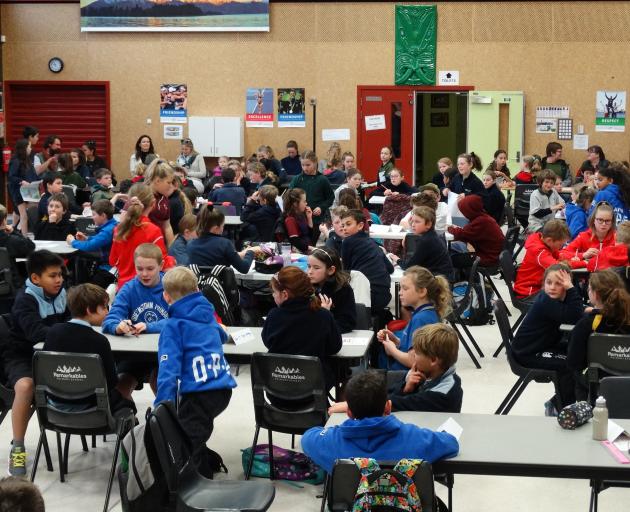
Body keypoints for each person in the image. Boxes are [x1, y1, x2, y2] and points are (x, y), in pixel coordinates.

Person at [155, 267, 236, 477]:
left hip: (199, 392)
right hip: (223, 389)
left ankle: (198, 488)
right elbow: (220, 335)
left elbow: (168, 372)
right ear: (197, 288)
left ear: (165, 296)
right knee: (194, 432)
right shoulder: (208, 314)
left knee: (187, 443)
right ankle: (205, 464)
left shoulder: (173, 327)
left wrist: (162, 407)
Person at [301, 370, 459, 474]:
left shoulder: (332, 441)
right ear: (388, 407)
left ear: (349, 412)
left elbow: (307, 437)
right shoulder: (416, 438)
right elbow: (451, 443)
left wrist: (334, 430)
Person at [0, 250, 70, 476]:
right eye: (52, 275)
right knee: (26, 387)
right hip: (20, 355)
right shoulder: (25, 300)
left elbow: (73, 320)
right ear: (35, 277)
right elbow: (35, 333)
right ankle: (18, 447)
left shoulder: (61, 294)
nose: (58, 280)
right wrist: (68, 331)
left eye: (60, 275)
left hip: (51, 356)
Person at [43, 284, 136, 413]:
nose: (107, 312)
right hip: (92, 406)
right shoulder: (99, 341)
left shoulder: (53, 332)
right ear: (89, 310)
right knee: (128, 405)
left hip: (55, 404)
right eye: (104, 307)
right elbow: (111, 382)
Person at [511, 264, 584, 414]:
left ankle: (558, 401)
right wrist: (570, 288)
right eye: (549, 282)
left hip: (541, 346)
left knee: (578, 354)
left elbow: (573, 311)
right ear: (543, 283)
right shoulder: (546, 300)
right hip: (527, 354)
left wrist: (582, 307)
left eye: (559, 283)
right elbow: (573, 317)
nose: (552, 287)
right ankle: (563, 410)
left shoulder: (553, 300)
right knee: (569, 364)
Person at [262, 266, 342, 389]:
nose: (273, 295)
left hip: (278, 389)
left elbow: (267, 342)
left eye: (274, 292)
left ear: (284, 294)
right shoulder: (323, 315)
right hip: (314, 391)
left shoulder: (273, 316)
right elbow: (334, 347)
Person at [376, 266, 450, 370]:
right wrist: (396, 341)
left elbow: (414, 361)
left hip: (404, 376)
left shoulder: (421, 319)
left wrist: (392, 349)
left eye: (405, 288)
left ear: (422, 292)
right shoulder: (425, 313)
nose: (399, 292)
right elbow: (415, 348)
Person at [567, 271, 630, 383]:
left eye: (589, 288)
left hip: (596, 385)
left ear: (595, 294)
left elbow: (573, 362)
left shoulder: (587, 324)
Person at [109, 183, 175, 290]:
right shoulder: (153, 231)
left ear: (128, 202)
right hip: (146, 289)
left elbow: (113, 261)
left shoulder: (119, 229)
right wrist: (172, 261)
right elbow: (162, 262)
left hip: (124, 288)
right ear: (153, 203)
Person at [387, 323, 463, 412]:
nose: (414, 356)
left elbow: (389, 404)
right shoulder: (436, 373)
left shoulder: (440, 395)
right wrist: (406, 388)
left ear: (433, 360)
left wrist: (404, 390)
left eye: (417, 353)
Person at [514, 220, 585, 300]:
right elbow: (559, 267)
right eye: (560, 244)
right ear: (549, 240)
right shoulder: (539, 252)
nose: (561, 247)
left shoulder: (546, 244)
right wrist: (584, 263)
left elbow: (561, 256)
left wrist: (582, 256)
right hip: (529, 292)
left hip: (539, 286)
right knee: (566, 296)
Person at [340, 209, 394, 311]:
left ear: (360, 225)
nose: (344, 228)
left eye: (348, 224)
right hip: (384, 296)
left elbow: (346, 273)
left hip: (367, 297)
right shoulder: (373, 243)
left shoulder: (347, 242)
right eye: (343, 226)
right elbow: (390, 269)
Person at [187, 205, 260, 272]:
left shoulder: (190, 244)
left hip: (197, 285)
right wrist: (250, 252)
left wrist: (243, 253)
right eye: (222, 226)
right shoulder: (225, 244)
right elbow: (244, 268)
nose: (223, 229)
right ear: (216, 228)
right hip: (219, 284)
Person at [66, 199, 118, 287]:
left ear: (103, 216)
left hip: (109, 269)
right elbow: (97, 240)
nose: (92, 217)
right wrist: (87, 238)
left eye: (94, 214)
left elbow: (90, 246)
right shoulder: (112, 225)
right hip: (108, 265)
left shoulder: (107, 231)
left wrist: (73, 242)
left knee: (89, 290)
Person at [391, 207, 453, 279]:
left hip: (438, 282)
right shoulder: (431, 236)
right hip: (441, 277)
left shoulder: (426, 241)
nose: (413, 225)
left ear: (428, 224)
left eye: (417, 222)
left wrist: (397, 259)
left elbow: (410, 267)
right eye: (412, 221)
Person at [307, 247, 356, 333]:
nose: (310, 272)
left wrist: (325, 315)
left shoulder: (343, 289)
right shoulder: (306, 287)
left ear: (331, 270)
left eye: (316, 268)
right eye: (309, 266)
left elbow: (347, 323)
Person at [447, 195, 505, 267]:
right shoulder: (483, 217)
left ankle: (467, 276)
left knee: (451, 260)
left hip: (488, 258)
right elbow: (466, 233)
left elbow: (461, 235)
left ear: (470, 210)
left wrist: (448, 228)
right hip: (492, 254)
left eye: (464, 211)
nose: (463, 214)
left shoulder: (481, 222)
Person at [289, 150, 334, 241]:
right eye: (303, 165)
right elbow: (290, 196)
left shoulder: (322, 179)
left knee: (310, 243)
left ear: (315, 163)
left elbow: (330, 198)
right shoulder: (297, 179)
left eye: (308, 165)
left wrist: (321, 207)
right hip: (299, 218)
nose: (305, 168)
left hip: (316, 219)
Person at [560, 201, 618, 270]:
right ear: (594, 220)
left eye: (607, 221)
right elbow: (561, 254)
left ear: (612, 222)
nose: (604, 224)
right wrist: (583, 255)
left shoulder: (617, 238)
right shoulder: (583, 236)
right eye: (600, 220)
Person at [8, 139, 37, 235]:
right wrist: (21, 181)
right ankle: (24, 237)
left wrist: (39, 181)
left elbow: (33, 174)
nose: (30, 149)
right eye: (29, 146)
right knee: (24, 215)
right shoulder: (15, 160)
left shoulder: (27, 159)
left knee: (27, 211)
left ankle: (15, 229)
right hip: (18, 191)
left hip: (28, 190)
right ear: (24, 148)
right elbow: (11, 176)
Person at [144, 159, 177, 245]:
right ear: (158, 181)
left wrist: (171, 250)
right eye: (168, 182)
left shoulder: (164, 198)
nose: (171, 186)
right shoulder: (141, 195)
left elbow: (167, 226)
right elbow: (125, 221)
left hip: (159, 245)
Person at [0, 204, 35, 284]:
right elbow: (31, 246)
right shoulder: (13, 241)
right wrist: (14, 232)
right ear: (4, 221)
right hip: (11, 284)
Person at [282, 188, 313, 253]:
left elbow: (309, 235)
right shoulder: (290, 219)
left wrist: (309, 218)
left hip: (306, 248)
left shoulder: (300, 215)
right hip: (299, 253)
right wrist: (311, 248)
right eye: (304, 201)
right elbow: (295, 241)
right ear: (295, 203)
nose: (306, 203)